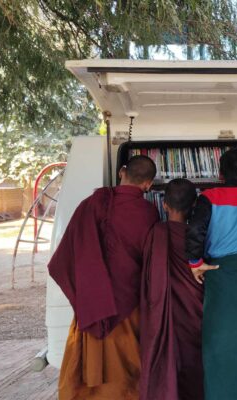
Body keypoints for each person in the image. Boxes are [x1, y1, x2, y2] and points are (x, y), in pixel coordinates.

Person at [49, 155, 160, 400]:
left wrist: (84, 289)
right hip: (128, 303)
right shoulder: (148, 212)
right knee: (130, 369)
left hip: (91, 304)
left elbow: (63, 258)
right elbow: (151, 261)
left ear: (121, 172)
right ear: (148, 184)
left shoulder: (89, 205)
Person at [186, 148, 237, 400]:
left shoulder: (208, 197)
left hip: (218, 272)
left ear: (220, 174)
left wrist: (195, 262)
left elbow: (195, 231)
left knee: (217, 343)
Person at [140, 178, 203, 400]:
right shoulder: (198, 237)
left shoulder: (155, 233)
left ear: (164, 205)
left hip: (160, 311)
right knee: (193, 364)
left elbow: (148, 277)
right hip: (194, 313)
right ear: (194, 206)